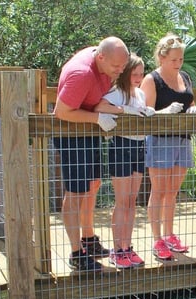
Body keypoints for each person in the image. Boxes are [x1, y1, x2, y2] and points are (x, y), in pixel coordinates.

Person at [53, 37, 130, 271]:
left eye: (122, 67)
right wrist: (97, 118)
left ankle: (88, 240)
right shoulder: (82, 73)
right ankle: (76, 253)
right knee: (75, 193)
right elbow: (61, 111)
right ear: (100, 57)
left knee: (93, 184)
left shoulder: (105, 63)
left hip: (88, 131)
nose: (119, 72)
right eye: (115, 67)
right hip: (70, 134)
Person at [139, 34, 196, 261]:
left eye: (181, 59)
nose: (178, 64)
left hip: (183, 138)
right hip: (160, 139)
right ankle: (157, 239)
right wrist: (166, 112)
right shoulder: (151, 79)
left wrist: (194, 109)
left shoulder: (184, 76)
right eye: (174, 59)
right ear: (162, 57)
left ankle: (170, 234)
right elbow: (146, 113)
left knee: (173, 192)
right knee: (159, 191)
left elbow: (190, 102)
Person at [94, 54, 154, 269]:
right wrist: (125, 110)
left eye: (141, 74)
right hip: (121, 146)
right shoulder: (117, 92)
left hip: (139, 146)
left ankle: (127, 247)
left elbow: (144, 114)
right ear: (126, 72)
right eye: (134, 73)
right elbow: (100, 106)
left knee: (131, 200)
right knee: (121, 201)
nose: (138, 78)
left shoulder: (140, 94)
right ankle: (117, 249)